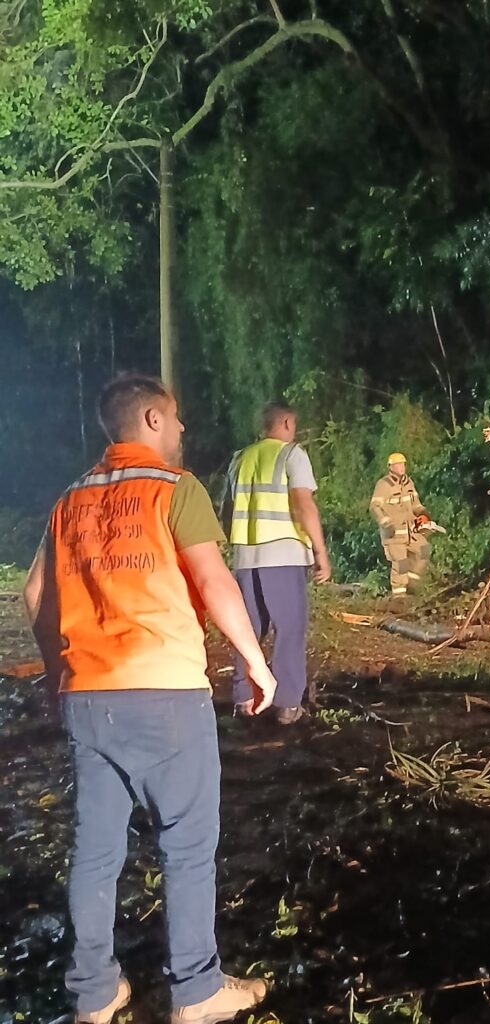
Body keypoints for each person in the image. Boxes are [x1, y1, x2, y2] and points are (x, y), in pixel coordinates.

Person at [22, 374, 277, 1024]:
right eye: (176, 417)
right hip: (166, 693)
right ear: (152, 421)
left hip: (88, 697)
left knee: (95, 851)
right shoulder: (174, 488)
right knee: (187, 846)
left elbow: (35, 594)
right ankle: (196, 990)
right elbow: (213, 579)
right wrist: (254, 661)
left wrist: (57, 674)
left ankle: (94, 993)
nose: (183, 429)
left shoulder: (70, 499)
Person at [224, 401, 330, 723]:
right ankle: (287, 703)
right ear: (285, 423)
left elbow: (227, 510)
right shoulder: (292, 454)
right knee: (289, 629)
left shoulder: (240, 459)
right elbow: (303, 505)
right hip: (283, 554)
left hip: (246, 556)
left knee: (248, 629)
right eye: (293, 425)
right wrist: (320, 552)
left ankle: (245, 699)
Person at [369, 452, 431, 597]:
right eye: (397, 465)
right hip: (394, 534)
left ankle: (412, 582)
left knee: (424, 550)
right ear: (390, 467)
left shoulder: (408, 483)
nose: (401, 467)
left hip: (411, 531)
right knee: (401, 563)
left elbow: (416, 504)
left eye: (403, 464)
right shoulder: (383, 485)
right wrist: (385, 522)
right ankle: (399, 596)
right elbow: (374, 507)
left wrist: (423, 514)